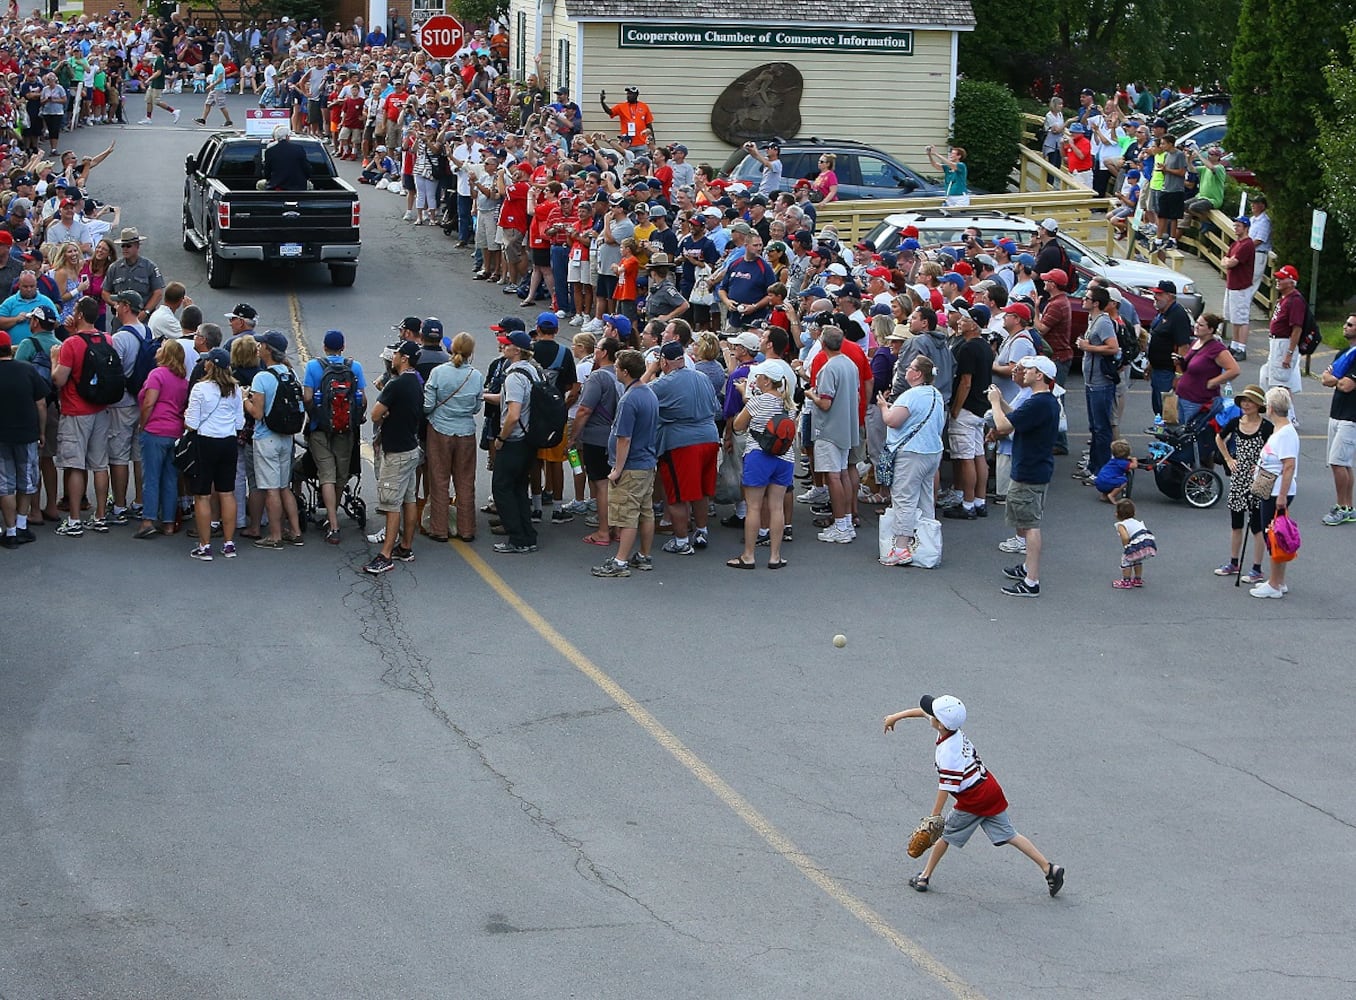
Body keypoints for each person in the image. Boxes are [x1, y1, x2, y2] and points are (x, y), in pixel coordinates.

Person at [883, 694, 1064, 898]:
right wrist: (895, 717)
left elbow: (946, 785)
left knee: (945, 834)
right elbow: (923, 712)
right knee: (1010, 834)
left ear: (940, 724)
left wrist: (934, 815)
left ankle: (924, 877)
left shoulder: (949, 752)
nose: (929, 714)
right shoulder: (952, 730)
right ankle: (1050, 869)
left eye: (933, 714)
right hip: (990, 788)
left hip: (974, 799)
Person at [987, 356, 1061, 597]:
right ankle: (1028, 568)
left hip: (1030, 470)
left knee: (1030, 525)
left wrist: (995, 402)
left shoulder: (1038, 402)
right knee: (1026, 521)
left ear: (1040, 375)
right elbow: (1016, 418)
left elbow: (1003, 426)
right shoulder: (1043, 402)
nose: (1023, 372)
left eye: (1029, 369)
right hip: (1036, 467)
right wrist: (1004, 405)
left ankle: (1032, 580)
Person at [591, 349, 659, 577]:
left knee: (626, 514)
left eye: (618, 366)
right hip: (647, 462)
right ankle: (644, 555)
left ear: (625, 372)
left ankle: (620, 562)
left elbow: (624, 438)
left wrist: (617, 469)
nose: (615, 370)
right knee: (645, 512)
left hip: (632, 466)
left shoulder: (629, 400)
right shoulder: (648, 393)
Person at [51, 297, 114, 536]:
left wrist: (54, 360)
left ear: (78, 315)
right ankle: (99, 516)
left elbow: (59, 379)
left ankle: (75, 519)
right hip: (100, 408)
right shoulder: (106, 338)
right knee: (99, 464)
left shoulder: (71, 344)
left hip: (76, 410)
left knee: (75, 465)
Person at [651, 341, 719, 555]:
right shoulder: (702, 377)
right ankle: (701, 531)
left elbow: (637, 396)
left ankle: (681, 541)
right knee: (701, 490)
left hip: (682, 442)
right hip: (709, 437)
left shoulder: (663, 383)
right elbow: (716, 408)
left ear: (663, 361)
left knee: (677, 494)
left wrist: (649, 371)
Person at [877, 355, 946, 566]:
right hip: (932, 451)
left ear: (917, 374)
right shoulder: (935, 394)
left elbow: (892, 420)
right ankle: (926, 543)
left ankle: (900, 547)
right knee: (925, 498)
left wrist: (883, 406)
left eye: (911, 367)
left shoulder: (911, 395)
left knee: (904, 498)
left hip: (911, 453)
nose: (907, 370)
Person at [726, 360, 795, 570]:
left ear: (766, 381)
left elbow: (738, 425)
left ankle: (749, 555)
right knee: (776, 507)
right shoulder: (789, 404)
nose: (755, 380)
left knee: (754, 507)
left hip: (758, 456)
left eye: (758, 377)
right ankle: (775, 556)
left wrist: (746, 399)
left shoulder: (757, 402)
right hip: (784, 459)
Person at [302, 330, 368, 544]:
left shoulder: (313, 367)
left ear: (324, 347)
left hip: (320, 429)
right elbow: (363, 400)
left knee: (326, 474)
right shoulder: (354, 367)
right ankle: (333, 518)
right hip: (345, 430)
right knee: (341, 474)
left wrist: (315, 417)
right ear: (343, 347)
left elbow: (308, 397)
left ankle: (333, 525)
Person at [365, 341, 422, 574]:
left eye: (397, 353)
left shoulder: (395, 384)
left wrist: (386, 413)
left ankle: (385, 553)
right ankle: (405, 546)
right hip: (411, 448)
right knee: (409, 499)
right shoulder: (416, 381)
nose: (394, 357)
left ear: (404, 358)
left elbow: (375, 414)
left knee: (391, 503)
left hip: (396, 452)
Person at [184, 347, 246, 561]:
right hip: (228, 441)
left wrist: (186, 417)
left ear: (210, 364)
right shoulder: (235, 389)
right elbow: (240, 422)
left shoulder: (200, 389)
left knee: (202, 495)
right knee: (226, 492)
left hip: (205, 441)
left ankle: (205, 545)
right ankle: (229, 544)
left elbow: (191, 423)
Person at [423, 332, 485, 543]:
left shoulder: (438, 373)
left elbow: (428, 405)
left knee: (439, 480)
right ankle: (466, 528)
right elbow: (477, 406)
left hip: (440, 429)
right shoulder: (475, 376)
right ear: (471, 352)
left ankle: (439, 528)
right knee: (466, 481)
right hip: (466, 431)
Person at [245, 330, 304, 549]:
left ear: (269, 349)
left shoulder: (262, 377)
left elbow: (258, 413)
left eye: (261, 344)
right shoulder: (290, 374)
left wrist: (244, 400)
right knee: (283, 487)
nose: (258, 347)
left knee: (270, 488)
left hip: (266, 437)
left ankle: (275, 535)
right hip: (285, 438)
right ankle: (295, 531)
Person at [487, 329, 540, 554]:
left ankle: (517, 537)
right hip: (529, 439)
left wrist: (501, 438)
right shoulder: (533, 371)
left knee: (502, 487)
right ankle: (527, 535)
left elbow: (513, 413)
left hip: (515, 439)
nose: (502, 347)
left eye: (506, 344)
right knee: (519, 487)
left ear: (517, 350)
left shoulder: (514, 376)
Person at [1212, 384, 1273, 581]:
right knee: (1236, 523)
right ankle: (1234, 562)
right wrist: (1229, 459)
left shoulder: (1267, 428)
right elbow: (1219, 438)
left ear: (1258, 405)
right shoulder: (1235, 422)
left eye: (1250, 401)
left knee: (1257, 525)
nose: (1246, 405)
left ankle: (1257, 568)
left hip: (1260, 479)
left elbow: (1274, 451)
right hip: (1238, 478)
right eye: (1244, 401)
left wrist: (1262, 464)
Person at [807, 328, 860, 544]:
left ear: (823, 344)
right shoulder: (850, 364)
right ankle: (845, 522)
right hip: (846, 427)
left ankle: (840, 525)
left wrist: (811, 394)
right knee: (843, 474)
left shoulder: (829, 368)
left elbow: (825, 403)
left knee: (834, 477)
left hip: (829, 429)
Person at [134, 339, 189, 539]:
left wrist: (143, 424)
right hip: (174, 432)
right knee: (170, 478)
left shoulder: (157, 374)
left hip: (155, 430)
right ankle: (168, 523)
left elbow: (149, 402)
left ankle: (148, 520)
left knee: (151, 477)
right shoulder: (183, 380)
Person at [1250, 387, 1299, 599]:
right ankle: (1278, 580)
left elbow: (1288, 466)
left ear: (1270, 408)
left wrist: (1281, 497)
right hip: (1268, 486)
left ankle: (1274, 583)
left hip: (1276, 491)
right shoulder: (1280, 430)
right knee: (1274, 533)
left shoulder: (1285, 434)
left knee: (1274, 535)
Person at [0, 330, 48, 548]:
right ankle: (21, 525)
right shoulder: (27, 370)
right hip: (26, 433)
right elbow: (41, 403)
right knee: (27, 481)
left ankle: (9, 532)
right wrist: (42, 431)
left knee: (5, 484)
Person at [1173, 312, 1240, 464]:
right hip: (1184, 397)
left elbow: (1234, 370)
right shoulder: (1196, 342)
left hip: (1199, 400)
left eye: (1201, 325)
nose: (1196, 326)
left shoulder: (1216, 348)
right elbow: (1191, 366)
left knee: (1198, 441)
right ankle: (1189, 472)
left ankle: (1203, 476)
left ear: (1210, 330)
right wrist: (1180, 363)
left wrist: (1214, 381)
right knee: (1185, 438)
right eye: (1196, 323)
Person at [1319, 315, 1356, 526]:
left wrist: (1337, 380)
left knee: (1338, 463)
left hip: (1350, 418)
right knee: (1343, 463)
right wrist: (1337, 380)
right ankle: (1348, 507)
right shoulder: (1344, 353)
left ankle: (1342, 507)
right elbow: (1325, 378)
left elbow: (1347, 386)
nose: (1345, 327)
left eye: (1350, 325)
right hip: (1336, 414)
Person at [1145, 280, 1192, 426]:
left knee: (1168, 412)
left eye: (1158, 294)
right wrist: (1150, 365)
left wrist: (1179, 375)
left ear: (1169, 296)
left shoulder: (1178, 315)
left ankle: (1169, 444)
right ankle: (1161, 441)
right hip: (1158, 371)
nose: (1155, 296)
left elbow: (1183, 347)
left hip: (1168, 372)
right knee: (1158, 409)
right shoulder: (1161, 314)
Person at [1261, 264, 1304, 397]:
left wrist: (1289, 353)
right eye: (1278, 278)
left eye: (1282, 279)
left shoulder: (1295, 301)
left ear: (1291, 283)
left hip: (1284, 344)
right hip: (1276, 343)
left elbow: (1297, 329)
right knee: (1266, 376)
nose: (1278, 281)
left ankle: (1286, 414)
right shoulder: (1285, 298)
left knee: (1280, 384)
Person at [1220, 216, 1256, 360]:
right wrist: (1227, 261)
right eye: (1235, 226)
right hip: (1232, 286)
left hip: (1241, 286)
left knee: (1241, 318)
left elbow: (1231, 262)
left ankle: (1242, 347)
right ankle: (1234, 345)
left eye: (1238, 226)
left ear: (1246, 227)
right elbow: (1225, 259)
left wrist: (1228, 262)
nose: (1236, 228)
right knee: (1233, 317)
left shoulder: (1247, 244)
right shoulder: (1236, 244)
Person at [1112, 498, 1157, 589]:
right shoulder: (1136, 522)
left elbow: (1125, 537)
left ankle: (1126, 581)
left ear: (1117, 514)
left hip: (1137, 545)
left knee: (1126, 559)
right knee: (1137, 559)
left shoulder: (1121, 525)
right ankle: (1137, 579)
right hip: (1149, 544)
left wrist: (1126, 547)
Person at [262, 125, 311, 191]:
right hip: (298, 187)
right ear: (287, 137)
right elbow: (307, 168)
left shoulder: (269, 151)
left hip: (277, 187)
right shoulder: (299, 149)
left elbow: (267, 173)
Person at [1092, 439, 1137, 503]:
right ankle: (1112, 495)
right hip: (1107, 482)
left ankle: (1104, 495)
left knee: (1110, 478)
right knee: (1124, 481)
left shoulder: (1112, 460)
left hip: (1098, 482)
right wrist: (1134, 460)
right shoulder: (1123, 463)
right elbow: (1134, 466)